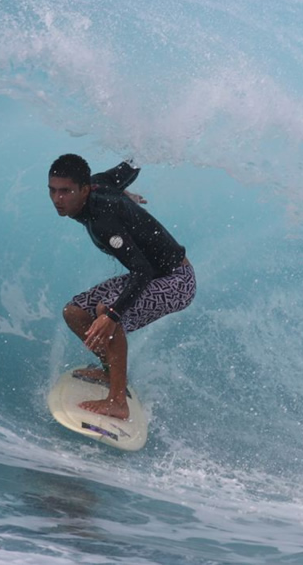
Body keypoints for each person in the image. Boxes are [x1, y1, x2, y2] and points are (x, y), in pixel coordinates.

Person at [48, 154, 196, 419]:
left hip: (176, 281)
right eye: (53, 190)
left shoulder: (104, 220)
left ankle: (117, 402)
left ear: (83, 189)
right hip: (151, 274)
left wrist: (113, 315)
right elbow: (131, 166)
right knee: (75, 312)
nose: (58, 199)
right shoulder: (99, 184)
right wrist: (144, 144)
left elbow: (142, 271)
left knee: (108, 314)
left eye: (66, 191)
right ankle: (109, 372)